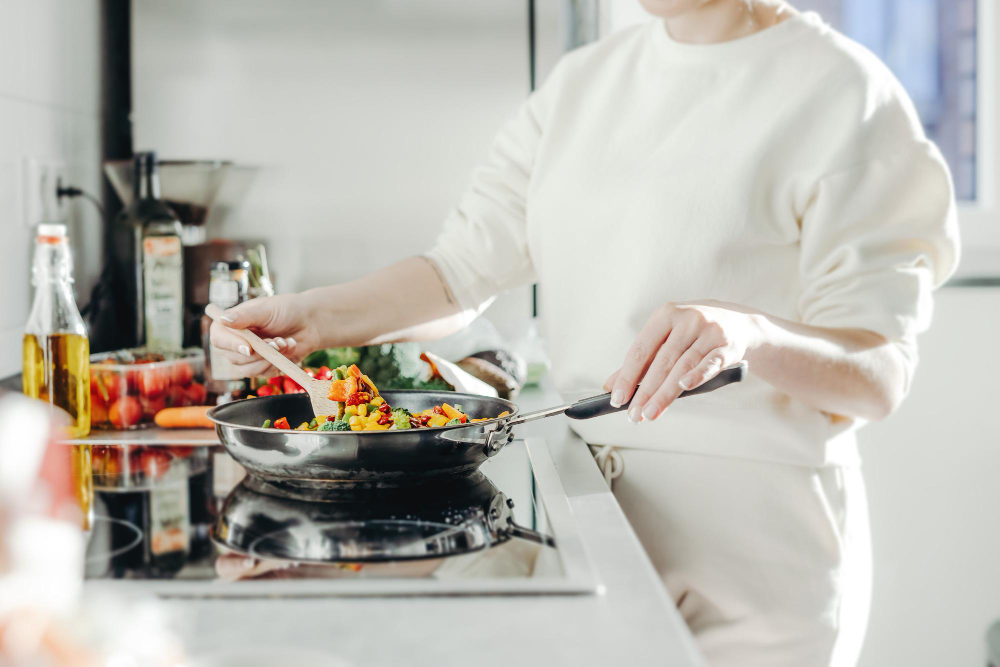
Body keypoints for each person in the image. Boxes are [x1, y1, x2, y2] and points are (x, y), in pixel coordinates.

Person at [210, 0, 960, 664]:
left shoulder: (845, 94)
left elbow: (879, 370)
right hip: (590, 528)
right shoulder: (582, 84)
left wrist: (751, 332)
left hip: (761, 566)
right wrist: (309, 320)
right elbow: (459, 271)